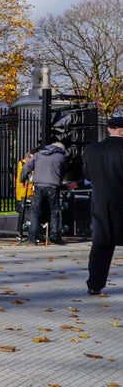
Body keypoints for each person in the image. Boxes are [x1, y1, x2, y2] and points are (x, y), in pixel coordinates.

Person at [84, 114, 123, 295]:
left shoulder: (92, 150)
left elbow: (87, 175)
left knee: (100, 245)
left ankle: (95, 284)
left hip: (101, 202)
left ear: (108, 129)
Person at [20, 137, 69, 244]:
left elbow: (26, 167)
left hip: (38, 185)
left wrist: (22, 180)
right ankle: (54, 236)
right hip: (53, 186)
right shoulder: (61, 157)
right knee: (54, 211)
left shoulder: (38, 155)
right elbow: (64, 170)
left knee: (35, 211)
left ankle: (32, 237)